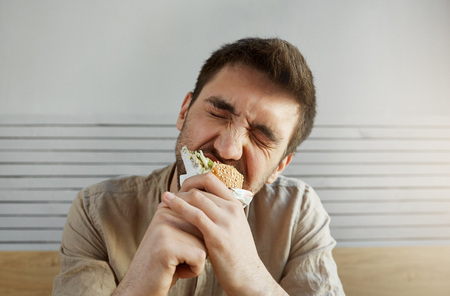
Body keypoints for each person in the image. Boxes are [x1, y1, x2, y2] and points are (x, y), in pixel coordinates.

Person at [52, 37, 345, 295]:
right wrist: (142, 283)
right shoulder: (96, 211)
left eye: (259, 137)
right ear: (184, 112)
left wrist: (249, 277)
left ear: (280, 166)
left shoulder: (298, 213)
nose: (227, 148)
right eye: (218, 113)